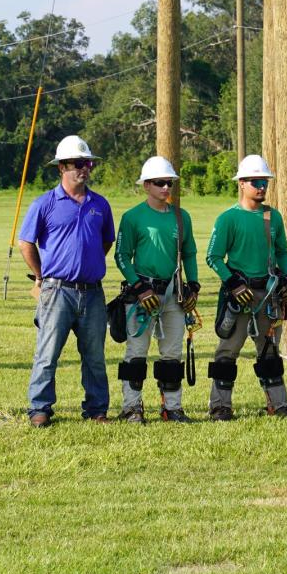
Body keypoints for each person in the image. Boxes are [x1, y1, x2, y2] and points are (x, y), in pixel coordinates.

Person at [18, 135, 116, 427]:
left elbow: (106, 241)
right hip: (56, 290)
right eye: (77, 164)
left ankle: (97, 409)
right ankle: (40, 408)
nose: (83, 169)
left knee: (95, 357)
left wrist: (89, 263)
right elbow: (26, 243)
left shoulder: (101, 204)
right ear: (61, 167)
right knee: (47, 354)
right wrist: (41, 275)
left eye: (87, 163)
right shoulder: (45, 203)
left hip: (93, 292)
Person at [204, 155, 287, 420]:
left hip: (268, 295)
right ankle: (220, 406)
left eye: (264, 181)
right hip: (240, 296)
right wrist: (232, 282)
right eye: (256, 181)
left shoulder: (273, 217)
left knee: (269, 352)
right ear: (242, 183)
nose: (261, 186)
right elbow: (213, 257)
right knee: (226, 352)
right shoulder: (228, 219)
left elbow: (282, 251)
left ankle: (278, 405)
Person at [113, 156, 200, 424]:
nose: (166, 188)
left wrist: (193, 286)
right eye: (160, 183)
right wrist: (139, 288)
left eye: (170, 183)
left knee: (172, 354)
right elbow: (122, 256)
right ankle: (131, 407)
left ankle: (171, 408)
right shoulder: (132, 217)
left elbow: (189, 253)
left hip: (173, 292)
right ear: (146, 186)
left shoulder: (180, 216)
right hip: (141, 293)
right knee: (136, 354)